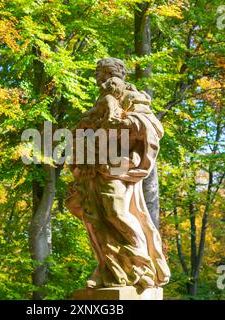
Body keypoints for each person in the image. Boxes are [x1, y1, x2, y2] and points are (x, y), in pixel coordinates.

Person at [66, 58, 170, 289]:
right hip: (93, 168)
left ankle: (141, 264)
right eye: (98, 74)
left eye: (102, 73)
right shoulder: (100, 101)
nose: (98, 78)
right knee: (95, 218)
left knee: (116, 212)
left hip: (115, 167)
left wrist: (123, 122)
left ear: (114, 74)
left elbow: (151, 126)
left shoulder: (132, 97)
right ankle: (110, 268)